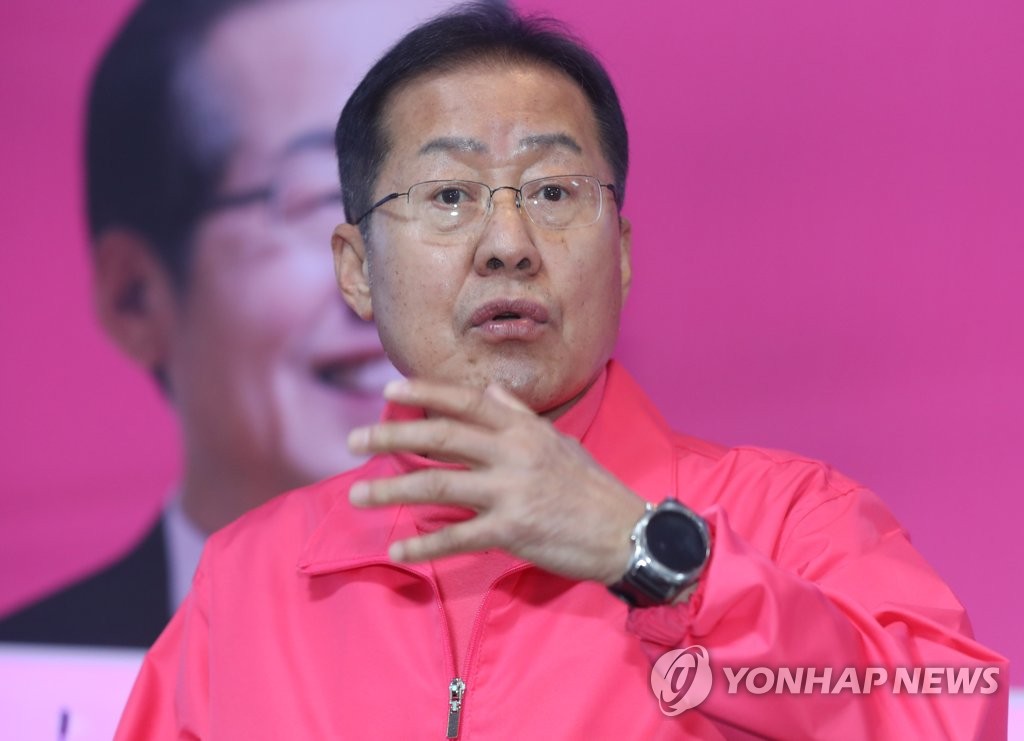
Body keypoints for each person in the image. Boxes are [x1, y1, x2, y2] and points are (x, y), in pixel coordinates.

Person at [115, 3, 1008, 737]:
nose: (508, 243)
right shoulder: (250, 581)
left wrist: (653, 557)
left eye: (552, 191)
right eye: (449, 195)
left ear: (619, 253)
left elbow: (954, 717)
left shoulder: (791, 522)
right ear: (355, 268)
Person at [0, 0, 482, 647]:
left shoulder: (614, 633)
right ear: (135, 295)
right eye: (327, 196)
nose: (409, 277)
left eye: (453, 195)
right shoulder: (31, 677)